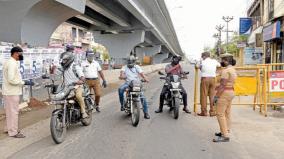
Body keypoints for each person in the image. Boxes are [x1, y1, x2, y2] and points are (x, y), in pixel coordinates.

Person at [2, 46, 34, 138]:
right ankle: (13, 132)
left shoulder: (9, 62)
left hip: (8, 91)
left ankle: (8, 129)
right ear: (15, 53)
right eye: (20, 54)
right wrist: (24, 82)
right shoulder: (12, 63)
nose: (21, 56)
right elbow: (11, 79)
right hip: (12, 92)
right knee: (14, 112)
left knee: (9, 112)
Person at [56, 51, 89, 118]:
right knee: (61, 99)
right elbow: (56, 74)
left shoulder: (75, 67)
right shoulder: (63, 68)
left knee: (78, 96)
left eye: (65, 60)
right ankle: (63, 114)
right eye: (63, 60)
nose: (63, 62)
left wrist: (81, 80)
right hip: (67, 88)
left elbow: (82, 76)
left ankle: (83, 112)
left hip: (77, 87)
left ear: (69, 60)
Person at [213, 53, 237, 142]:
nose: (221, 62)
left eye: (222, 60)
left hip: (224, 93)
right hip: (231, 92)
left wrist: (216, 96)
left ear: (226, 60)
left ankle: (225, 136)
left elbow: (222, 85)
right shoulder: (232, 69)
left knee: (220, 114)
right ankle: (225, 130)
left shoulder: (226, 71)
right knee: (227, 113)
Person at [196, 52, 220, 117]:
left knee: (203, 95)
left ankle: (204, 112)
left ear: (204, 56)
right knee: (212, 95)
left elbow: (197, 66)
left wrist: (200, 62)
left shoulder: (202, 61)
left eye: (202, 56)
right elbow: (219, 65)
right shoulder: (214, 61)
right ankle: (212, 112)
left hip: (205, 79)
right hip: (213, 79)